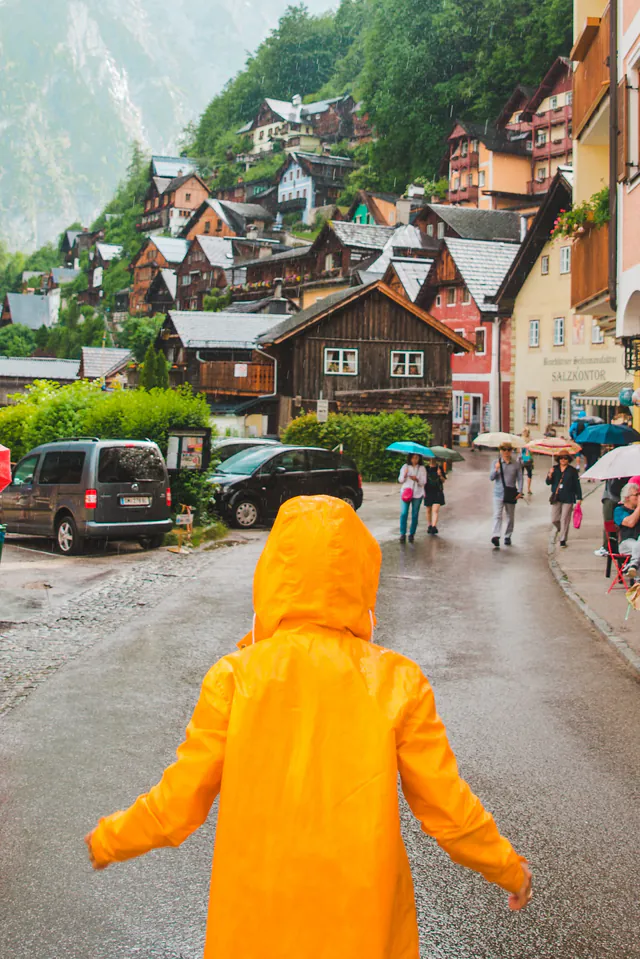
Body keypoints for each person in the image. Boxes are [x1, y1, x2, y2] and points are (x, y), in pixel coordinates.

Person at [85, 496, 532, 959]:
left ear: (273, 573)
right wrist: (508, 869)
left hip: (256, 918)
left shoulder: (236, 677)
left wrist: (109, 839)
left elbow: (177, 802)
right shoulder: (397, 680)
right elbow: (448, 806)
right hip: (362, 919)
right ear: (361, 577)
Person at [489, 444, 523, 548]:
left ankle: (508, 535)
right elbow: (491, 478)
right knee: (497, 515)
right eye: (504, 450)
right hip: (498, 493)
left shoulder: (516, 464)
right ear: (500, 451)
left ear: (511, 451)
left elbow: (520, 478)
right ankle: (496, 535)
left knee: (510, 516)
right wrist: (496, 469)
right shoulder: (496, 463)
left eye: (508, 450)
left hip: (511, 493)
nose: (506, 452)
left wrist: (520, 491)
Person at [546, 454, 582, 547]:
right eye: (561, 458)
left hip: (568, 497)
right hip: (557, 497)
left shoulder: (572, 470)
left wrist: (579, 497)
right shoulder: (554, 469)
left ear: (568, 460)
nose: (563, 460)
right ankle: (561, 529)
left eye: (565, 458)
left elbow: (577, 484)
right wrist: (550, 474)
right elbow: (548, 482)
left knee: (565, 519)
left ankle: (563, 539)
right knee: (554, 519)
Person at [595, 476, 629, 557]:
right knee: (610, 524)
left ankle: (609, 547)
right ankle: (608, 546)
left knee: (611, 523)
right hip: (613, 497)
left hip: (616, 498)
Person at [614, 482, 640, 584]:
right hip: (626, 543)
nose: (639, 497)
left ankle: (633, 565)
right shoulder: (619, 510)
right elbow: (630, 523)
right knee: (636, 547)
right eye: (636, 495)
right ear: (627, 497)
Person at [398, 453, 427, 543]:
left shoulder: (422, 468)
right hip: (406, 492)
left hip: (417, 494)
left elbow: (424, 482)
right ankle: (402, 533)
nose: (414, 460)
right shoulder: (405, 467)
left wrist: (417, 479)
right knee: (404, 513)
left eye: (417, 458)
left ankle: (412, 534)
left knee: (414, 514)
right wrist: (405, 475)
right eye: (413, 458)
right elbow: (400, 480)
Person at [423, 459, 446, 534]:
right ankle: (429, 525)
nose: (432, 460)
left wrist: (440, 475)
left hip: (438, 492)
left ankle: (434, 526)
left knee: (435, 510)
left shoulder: (439, 468)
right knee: (428, 509)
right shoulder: (426, 468)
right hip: (428, 491)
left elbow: (443, 481)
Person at [519, 429, 534, 495]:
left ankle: (522, 490)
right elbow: (532, 451)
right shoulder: (530, 440)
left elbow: (519, 450)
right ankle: (527, 489)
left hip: (523, 459)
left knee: (521, 475)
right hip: (527, 459)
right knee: (529, 474)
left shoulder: (520, 439)